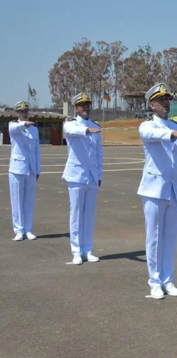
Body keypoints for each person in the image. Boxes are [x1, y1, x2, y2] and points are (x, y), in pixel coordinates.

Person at [138, 83, 177, 299]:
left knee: (170, 237)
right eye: (161, 100)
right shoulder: (147, 126)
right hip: (153, 190)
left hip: (172, 190)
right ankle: (155, 282)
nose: (166, 103)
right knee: (154, 238)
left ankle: (168, 280)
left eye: (167, 99)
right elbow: (154, 134)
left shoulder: (175, 126)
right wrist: (172, 134)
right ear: (152, 104)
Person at [62, 93, 103, 264]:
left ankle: (87, 249)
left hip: (92, 176)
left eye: (88, 104)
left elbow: (99, 153)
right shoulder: (71, 124)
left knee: (89, 214)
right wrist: (87, 130)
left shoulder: (95, 126)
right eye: (82, 105)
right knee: (76, 213)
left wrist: (99, 175)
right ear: (76, 108)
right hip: (76, 176)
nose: (86, 107)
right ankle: (76, 250)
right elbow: (70, 131)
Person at [8, 100, 40, 241]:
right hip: (17, 168)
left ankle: (28, 229)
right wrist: (24, 124)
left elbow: (36, 151)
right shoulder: (13, 125)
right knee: (17, 200)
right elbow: (14, 129)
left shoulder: (34, 129)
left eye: (26, 111)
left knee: (29, 200)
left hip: (31, 169)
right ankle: (19, 230)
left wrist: (38, 169)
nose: (24, 113)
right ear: (17, 113)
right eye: (21, 111)